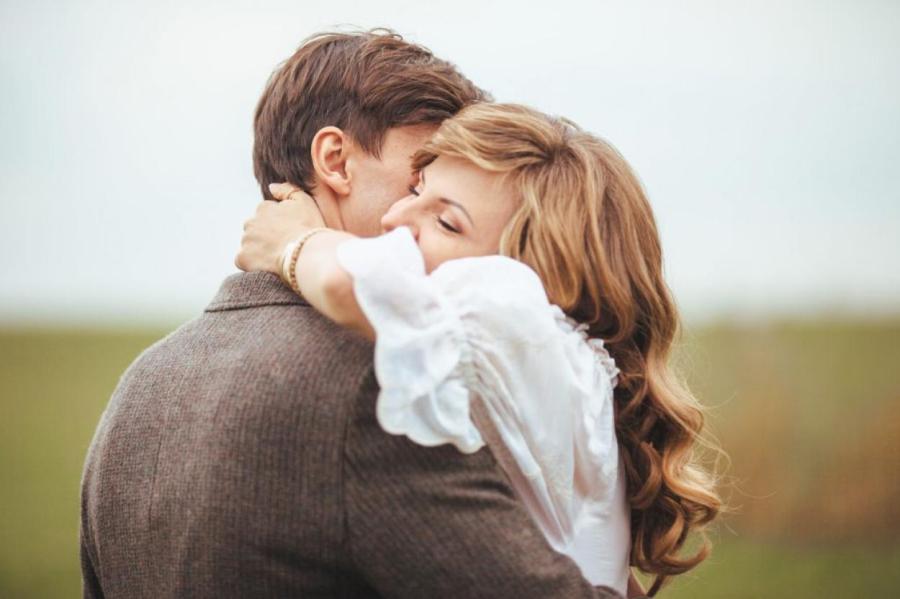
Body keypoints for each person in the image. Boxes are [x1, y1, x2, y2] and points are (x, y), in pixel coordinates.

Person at [79, 30, 626, 598]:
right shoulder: (390, 375)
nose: (404, 216)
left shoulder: (139, 388)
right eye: (416, 180)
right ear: (335, 161)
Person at [236, 103, 722, 597]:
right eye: (417, 191)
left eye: (448, 222)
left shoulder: (516, 314)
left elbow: (349, 284)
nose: (394, 218)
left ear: (543, 274)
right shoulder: (557, 363)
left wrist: (291, 241)